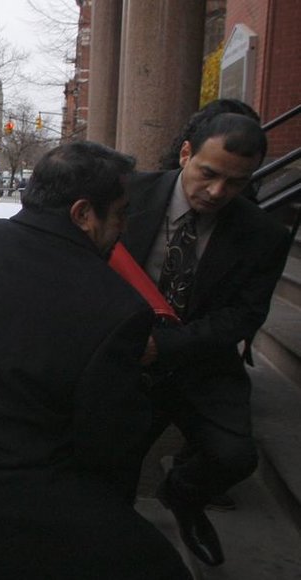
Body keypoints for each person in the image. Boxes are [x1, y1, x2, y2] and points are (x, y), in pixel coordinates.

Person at [0, 142, 190, 580]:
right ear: (84, 213)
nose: (124, 227)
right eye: (120, 213)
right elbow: (105, 447)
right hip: (27, 513)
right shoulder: (119, 309)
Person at [122, 113, 292, 567]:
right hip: (124, 358)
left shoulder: (264, 235)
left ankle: (183, 496)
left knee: (235, 456)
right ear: (186, 155)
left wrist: (166, 346)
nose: (217, 192)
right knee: (104, 461)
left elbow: (244, 316)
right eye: (208, 174)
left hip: (201, 361)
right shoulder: (126, 195)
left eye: (235, 182)